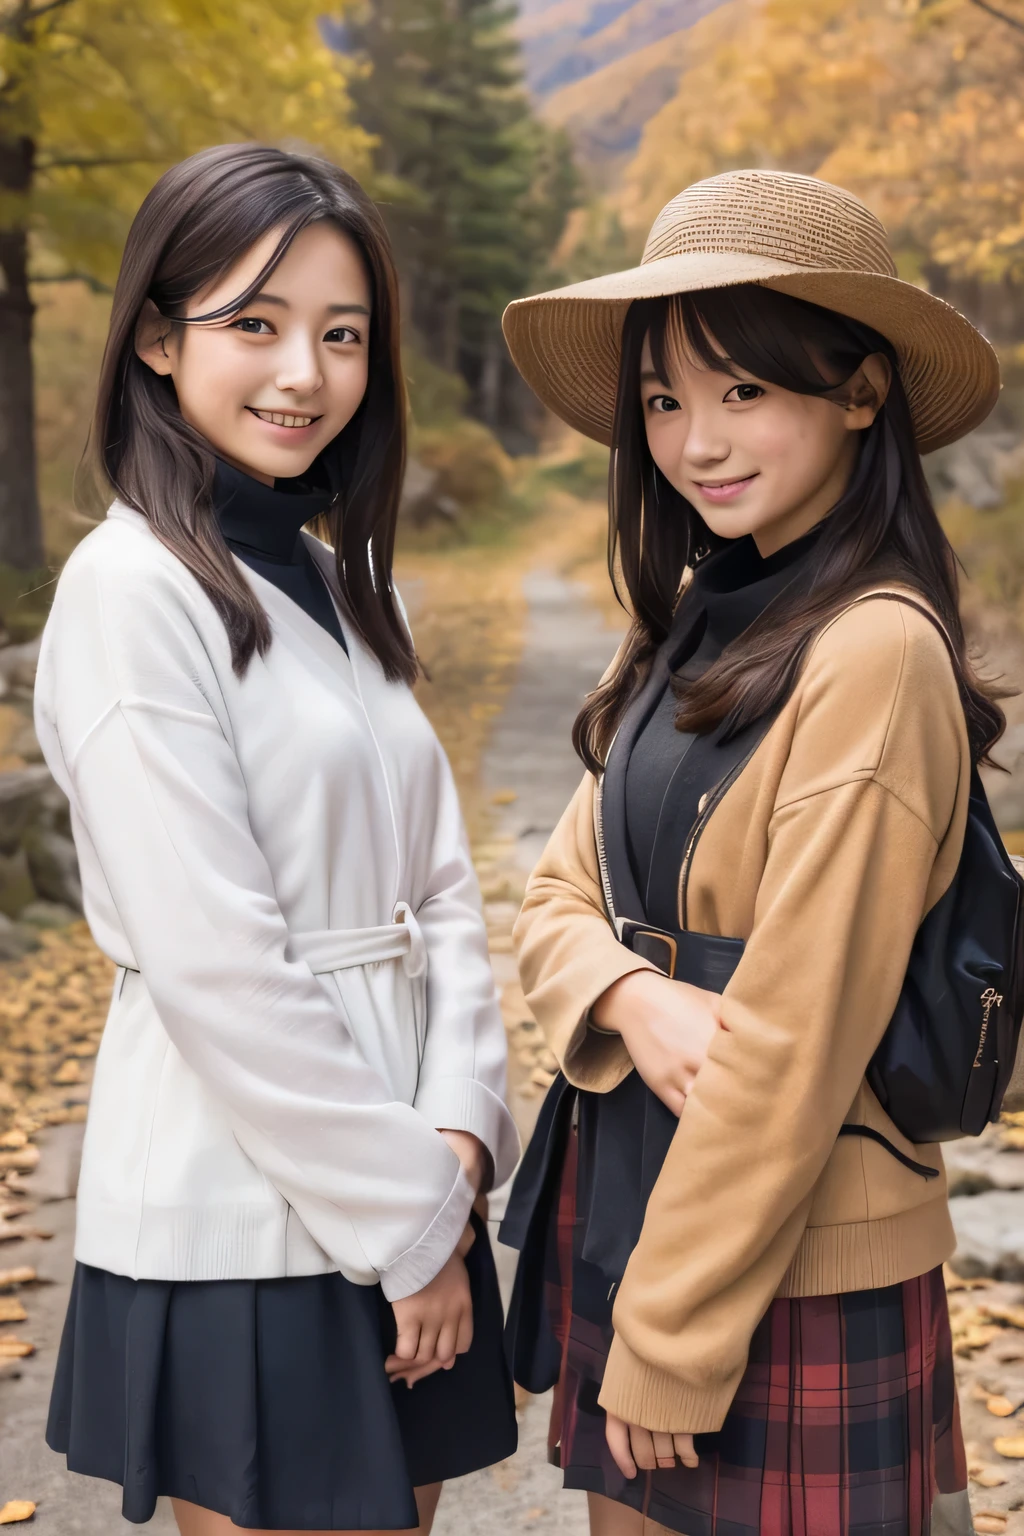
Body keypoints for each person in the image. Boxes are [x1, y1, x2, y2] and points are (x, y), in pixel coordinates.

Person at [499, 169, 1003, 1536]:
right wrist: (627, 993)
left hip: (787, 1258)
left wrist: (670, 1336)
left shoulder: (876, 653)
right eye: (664, 400)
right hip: (641, 1210)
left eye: (741, 391)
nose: (695, 442)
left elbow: (791, 1043)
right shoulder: (687, 627)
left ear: (859, 392)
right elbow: (553, 898)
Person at [37, 142, 519, 1536]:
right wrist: (409, 1219)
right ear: (154, 336)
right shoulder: (131, 591)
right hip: (244, 1203)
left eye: (343, 333)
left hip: (406, 1164)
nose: (305, 371)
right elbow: (216, 967)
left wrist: (460, 1128)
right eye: (255, 323)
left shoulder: (341, 584)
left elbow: (439, 890)